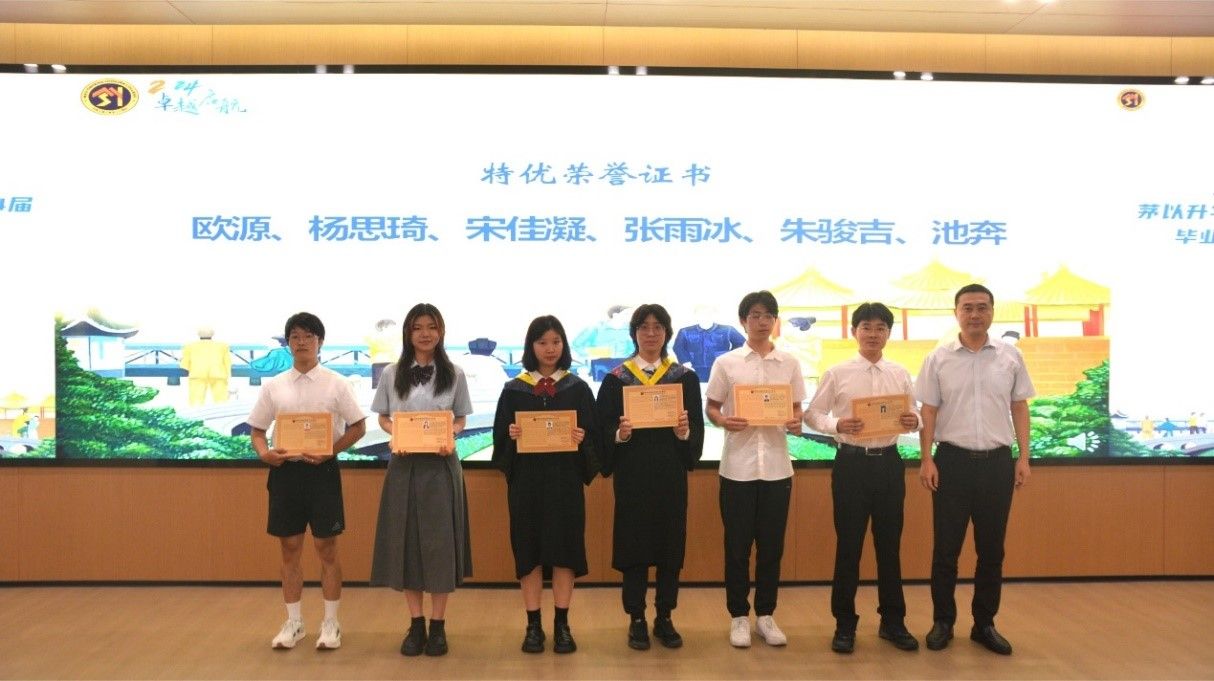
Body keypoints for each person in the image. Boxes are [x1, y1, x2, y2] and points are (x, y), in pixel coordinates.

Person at [917, 284, 1034, 656]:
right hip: (951, 462)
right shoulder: (938, 358)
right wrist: (926, 458)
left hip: (997, 464)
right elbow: (928, 411)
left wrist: (1024, 457)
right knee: (945, 550)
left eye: (982, 307)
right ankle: (943, 622)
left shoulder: (1010, 356)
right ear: (956, 313)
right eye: (967, 308)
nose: (974, 314)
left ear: (992, 312)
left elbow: (1020, 407)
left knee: (992, 550)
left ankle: (985, 624)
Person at [246, 312, 367, 651]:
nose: (302, 342)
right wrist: (264, 454)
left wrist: (331, 451)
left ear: (320, 342)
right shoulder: (274, 385)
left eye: (308, 336)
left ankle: (331, 622)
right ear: (288, 343)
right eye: (295, 337)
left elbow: (359, 427)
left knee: (327, 548)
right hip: (286, 473)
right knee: (289, 548)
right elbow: (257, 431)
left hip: (322, 473)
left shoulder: (336, 383)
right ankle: (294, 622)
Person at [804, 302, 920, 654]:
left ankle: (893, 622)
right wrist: (837, 424)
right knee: (849, 548)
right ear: (854, 331)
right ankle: (844, 624)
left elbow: (915, 412)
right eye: (866, 327)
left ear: (888, 333)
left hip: (889, 464)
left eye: (880, 327)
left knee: (890, 547)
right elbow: (813, 414)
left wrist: (915, 420)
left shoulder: (900, 373)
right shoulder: (837, 372)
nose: (873, 334)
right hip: (851, 466)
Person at [595, 304, 705, 651]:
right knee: (635, 548)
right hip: (632, 478)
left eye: (658, 327)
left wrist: (685, 432)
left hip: (670, 477)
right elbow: (602, 430)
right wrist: (620, 434)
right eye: (644, 327)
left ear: (667, 333)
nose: (651, 333)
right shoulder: (616, 380)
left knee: (670, 547)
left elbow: (696, 429)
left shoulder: (683, 379)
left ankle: (665, 616)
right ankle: (637, 618)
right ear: (634, 333)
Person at [369, 304, 473, 657]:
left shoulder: (455, 373)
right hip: (403, 466)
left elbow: (460, 419)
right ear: (408, 333)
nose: (425, 334)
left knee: (440, 546)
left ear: (441, 331)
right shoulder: (391, 373)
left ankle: (438, 626)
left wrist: (451, 434)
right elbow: (383, 417)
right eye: (417, 328)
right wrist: (395, 431)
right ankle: (416, 624)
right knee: (407, 543)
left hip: (441, 467)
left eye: (431, 327)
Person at [704, 291, 806, 648]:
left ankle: (765, 615)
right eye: (755, 315)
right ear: (743, 320)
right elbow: (711, 407)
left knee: (771, 547)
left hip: (777, 468)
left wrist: (795, 421)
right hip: (738, 469)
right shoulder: (727, 362)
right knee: (737, 547)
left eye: (768, 316)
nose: (762, 322)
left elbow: (797, 409)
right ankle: (738, 616)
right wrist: (722, 421)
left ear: (775, 321)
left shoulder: (789, 363)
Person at [492, 315, 599, 654]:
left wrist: (582, 438)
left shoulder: (577, 388)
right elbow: (500, 444)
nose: (550, 349)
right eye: (542, 342)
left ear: (563, 345)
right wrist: (511, 436)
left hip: (565, 483)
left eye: (556, 342)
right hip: (527, 485)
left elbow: (594, 439)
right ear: (531, 346)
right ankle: (533, 625)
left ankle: (562, 624)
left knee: (565, 552)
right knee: (530, 552)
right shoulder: (514, 390)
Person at [180, 326, 232, 406]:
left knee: (196, 402)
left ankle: (197, 413)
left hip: (197, 374)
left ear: (199, 334)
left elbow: (185, 364)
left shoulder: (189, 346)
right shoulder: (223, 346)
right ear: (212, 334)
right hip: (218, 374)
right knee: (221, 401)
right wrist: (229, 375)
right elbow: (227, 362)